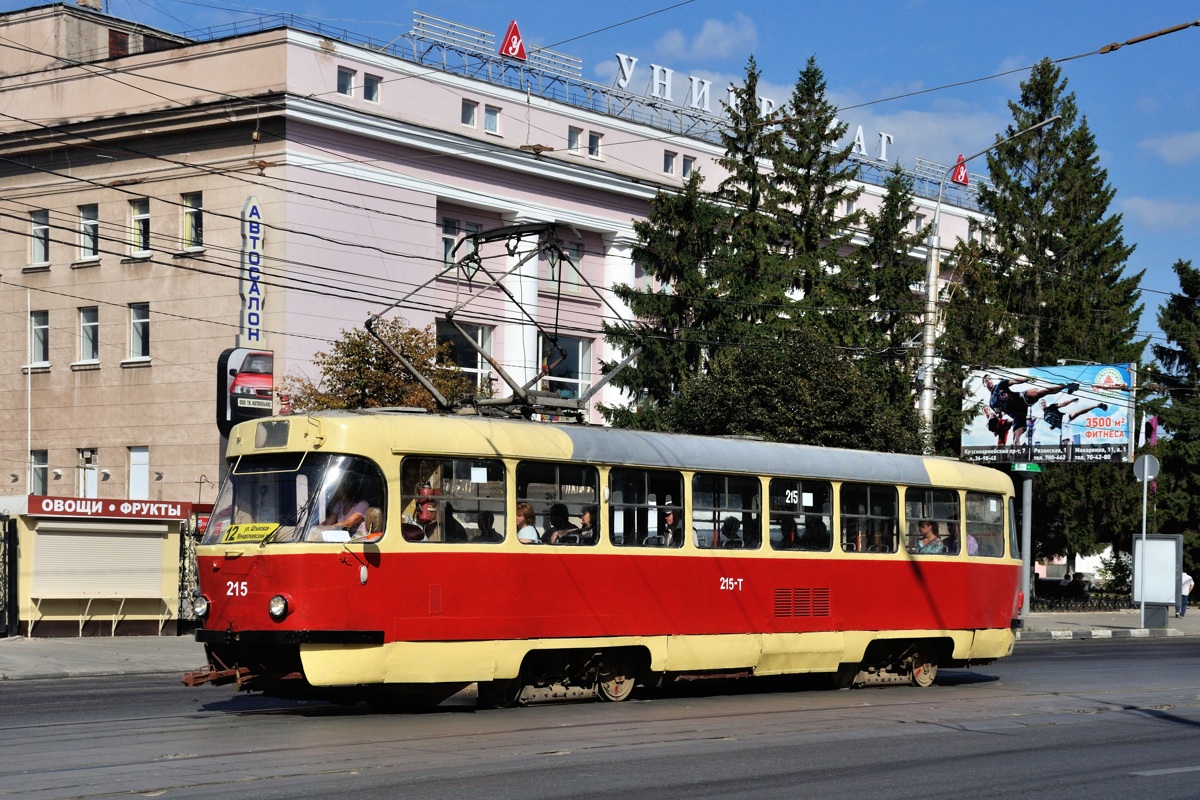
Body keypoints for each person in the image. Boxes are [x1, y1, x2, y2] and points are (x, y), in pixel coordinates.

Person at [983, 374, 1079, 446]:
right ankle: (1019, 458)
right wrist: (995, 421)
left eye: (989, 379)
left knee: (1042, 392)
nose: (989, 381)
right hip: (1017, 414)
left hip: (1021, 398)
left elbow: (1015, 381)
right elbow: (999, 414)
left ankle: (1067, 386)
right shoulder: (991, 403)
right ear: (984, 385)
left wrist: (1027, 379)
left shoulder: (1000, 385)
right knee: (1015, 440)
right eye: (986, 381)